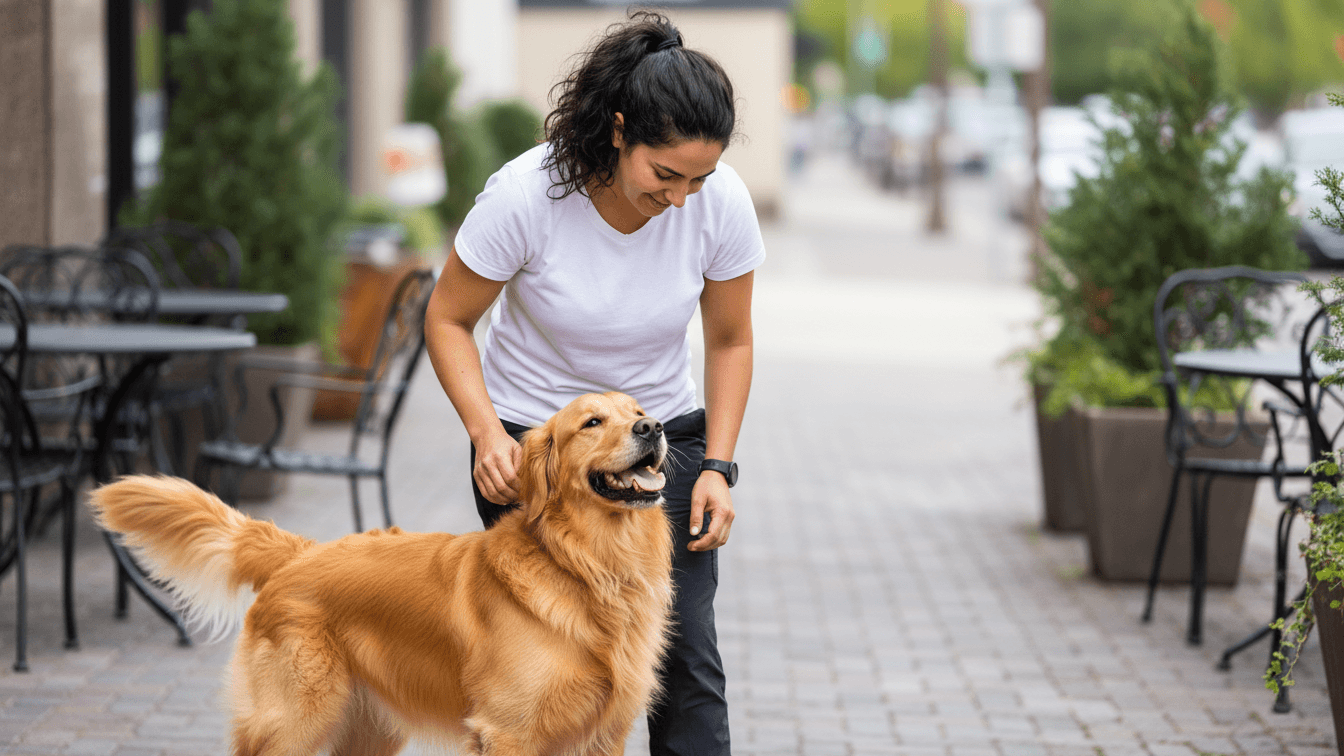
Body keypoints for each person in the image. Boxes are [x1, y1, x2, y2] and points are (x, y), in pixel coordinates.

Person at [423, 10, 763, 756]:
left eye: (698, 179)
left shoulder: (721, 202)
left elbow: (731, 340)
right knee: (549, 668)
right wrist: (485, 434)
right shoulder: (526, 195)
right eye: (664, 174)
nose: (680, 199)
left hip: (660, 439)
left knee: (682, 659)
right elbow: (447, 321)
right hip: (537, 450)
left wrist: (717, 468)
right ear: (617, 131)